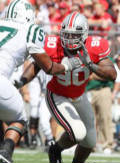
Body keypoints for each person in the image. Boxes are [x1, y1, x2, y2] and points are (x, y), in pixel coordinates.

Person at [18, 11, 116, 163]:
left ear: (84, 34)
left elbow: (112, 74)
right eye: (66, 34)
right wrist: (21, 82)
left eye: (74, 35)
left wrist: (91, 64)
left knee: (89, 141)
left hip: (79, 95)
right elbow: (36, 66)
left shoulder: (96, 45)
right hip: (57, 95)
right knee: (78, 132)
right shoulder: (52, 44)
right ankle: (55, 148)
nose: (69, 39)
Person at [0, 0, 80, 162]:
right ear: (29, 15)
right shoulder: (31, 29)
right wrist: (67, 65)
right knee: (19, 118)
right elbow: (48, 67)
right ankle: (6, 153)